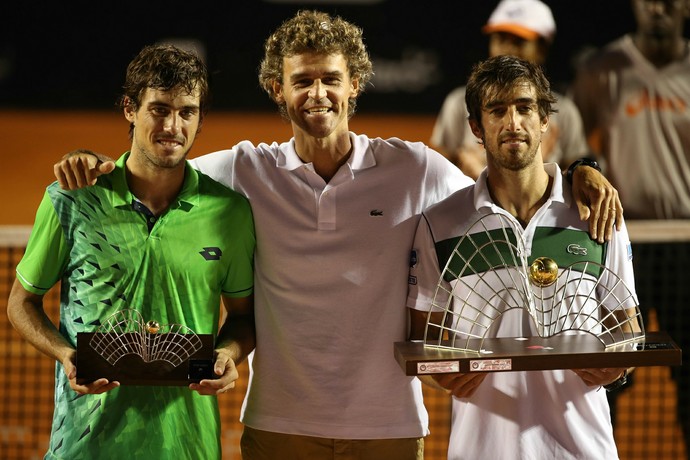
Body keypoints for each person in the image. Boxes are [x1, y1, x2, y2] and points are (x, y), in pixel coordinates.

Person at [53, 10, 621, 460]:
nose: (318, 93)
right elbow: (158, 163)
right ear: (278, 89)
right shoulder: (244, 171)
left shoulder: (413, 169)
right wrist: (97, 165)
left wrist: (579, 173)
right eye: (302, 80)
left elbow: (505, 180)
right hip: (279, 426)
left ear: (355, 87)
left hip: (389, 429)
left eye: (331, 79)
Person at [7, 44, 256, 459]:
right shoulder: (72, 200)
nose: (173, 126)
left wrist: (228, 354)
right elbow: (21, 303)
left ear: (199, 119)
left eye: (187, 112)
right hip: (84, 443)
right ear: (129, 109)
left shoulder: (229, 213)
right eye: (159, 109)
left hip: (187, 445)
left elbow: (243, 317)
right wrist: (66, 355)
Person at [408, 55, 640, 459]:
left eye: (524, 107)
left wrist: (619, 368)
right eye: (497, 110)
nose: (513, 123)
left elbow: (628, 329)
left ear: (545, 120)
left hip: (582, 449)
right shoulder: (439, 225)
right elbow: (419, 342)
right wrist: (439, 375)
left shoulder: (597, 215)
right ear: (476, 129)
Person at [570, 0, 690, 451]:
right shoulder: (602, 71)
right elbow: (578, 152)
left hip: (686, 248)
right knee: (611, 370)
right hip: (621, 245)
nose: (657, 8)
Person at [430, 0, 590, 180]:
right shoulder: (459, 103)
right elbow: (438, 176)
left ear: (542, 49)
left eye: (519, 41)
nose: (507, 50)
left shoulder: (565, 111)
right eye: (501, 39)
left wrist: (534, 169)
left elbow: (575, 178)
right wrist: (468, 179)